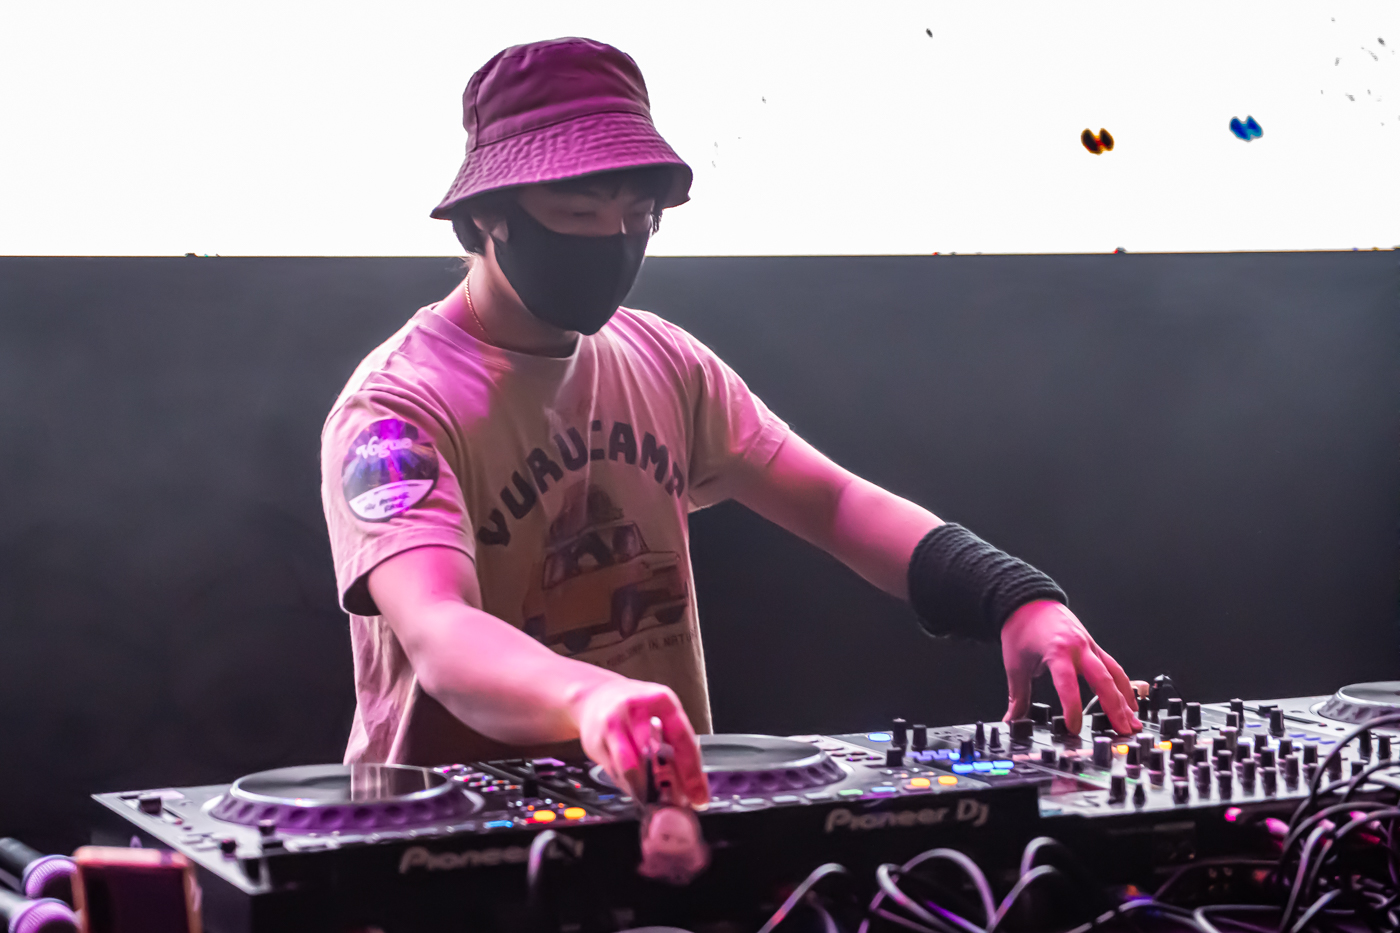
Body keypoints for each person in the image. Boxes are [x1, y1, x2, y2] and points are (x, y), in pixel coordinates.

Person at [319, 37, 1142, 808]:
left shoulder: (664, 360)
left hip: (660, 814)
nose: (615, 239)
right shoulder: (393, 411)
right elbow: (440, 629)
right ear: (489, 215)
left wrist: (1009, 596)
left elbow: (832, 503)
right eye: (579, 212)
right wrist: (591, 698)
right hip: (452, 838)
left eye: (639, 215)